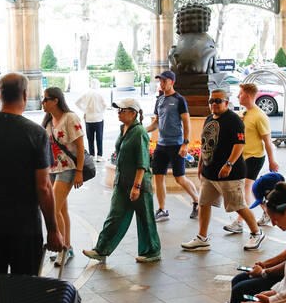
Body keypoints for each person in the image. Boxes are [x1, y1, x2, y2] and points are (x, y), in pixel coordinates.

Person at [0, 73, 63, 290]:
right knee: (25, 291)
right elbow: (44, 187)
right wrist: (53, 229)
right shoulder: (36, 133)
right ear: (25, 95)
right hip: (25, 228)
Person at [181, 89, 265, 252]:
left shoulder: (234, 120)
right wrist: (201, 165)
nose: (214, 104)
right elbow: (205, 143)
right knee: (204, 204)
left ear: (226, 102)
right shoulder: (209, 119)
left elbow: (239, 144)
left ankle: (256, 232)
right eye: (211, 101)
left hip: (230, 174)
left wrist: (229, 164)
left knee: (238, 205)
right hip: (209, 173)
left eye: (218, 101)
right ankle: (202, 238)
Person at [82, 97, 161, 263]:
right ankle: (101, 250)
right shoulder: (123, 129)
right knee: (114, 216)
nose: (118, 113)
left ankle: (152, 251)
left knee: (145, 218)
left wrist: (137, 186)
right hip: (122, 182)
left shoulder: (139, 132)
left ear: (133, 113)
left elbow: (142, 162)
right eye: (118, 110)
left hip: (138, 183)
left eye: (122, 110)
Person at [224, 82, 280, 234]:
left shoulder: (260, 116)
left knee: (244, 189)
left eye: (240, 94)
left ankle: (240, 222)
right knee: (246, 189)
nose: (238, 96)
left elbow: (267, 141)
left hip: (254, 158)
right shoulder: (244, 113)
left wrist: (272, 160)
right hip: (242, 157)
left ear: (247, 96)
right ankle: (267, 212)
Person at [145, 69, 199, 221]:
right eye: (160, 81)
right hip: (161, 145)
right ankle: (162, 210)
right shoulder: (159, 100)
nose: (161, 84)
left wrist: (185, 143)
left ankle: (196, 200)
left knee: (179, 178)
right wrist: (142, 130)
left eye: (164, 81)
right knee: (158, 177)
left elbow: (186, 122)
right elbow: (156, 123)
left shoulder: (179, 99)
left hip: (176, 145)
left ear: (172, 82)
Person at [41, 86, 85, 267]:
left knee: (54, 209)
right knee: (62, 210)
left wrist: (80, 172)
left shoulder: (70, 118)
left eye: (45, 100)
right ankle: (68, 247)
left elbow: (80, 146)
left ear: (55, 100)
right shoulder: (49, 120)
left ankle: (62, 249)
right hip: (52, 168)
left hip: (68, 168)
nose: (42, 103)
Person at [75, 86, 108, 160]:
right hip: (99, 118)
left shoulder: (86, 93)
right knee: (99, 138)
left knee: (90, 138)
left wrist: (84, 110)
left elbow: (77, 103)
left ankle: (92, 154)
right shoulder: (99, 94)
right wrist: (100, 112)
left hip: (88, 119)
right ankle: (99, 156)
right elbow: (105, 105)